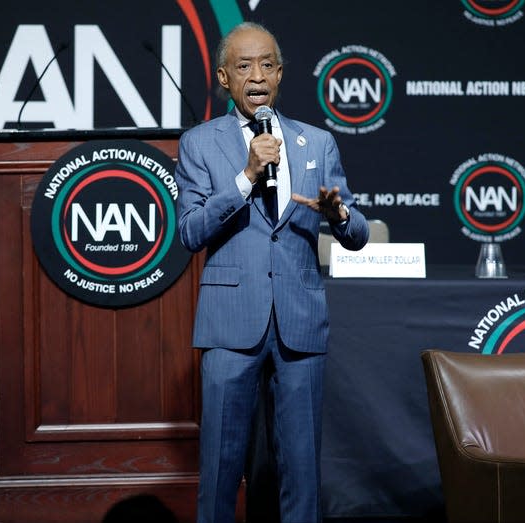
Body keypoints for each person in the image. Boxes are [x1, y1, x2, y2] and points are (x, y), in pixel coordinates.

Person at [174, 22, 369, 523]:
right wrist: (245, 177)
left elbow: (357, 232)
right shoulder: (200, 144)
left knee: (301, 468)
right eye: (243, 66)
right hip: (229, 322)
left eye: (266, 64)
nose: (256, 76)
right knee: (220, 467)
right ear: (223, 77)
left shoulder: (317, 143)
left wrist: (338, 215)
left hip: (299, 323)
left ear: (280, 74)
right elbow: (190, 232)